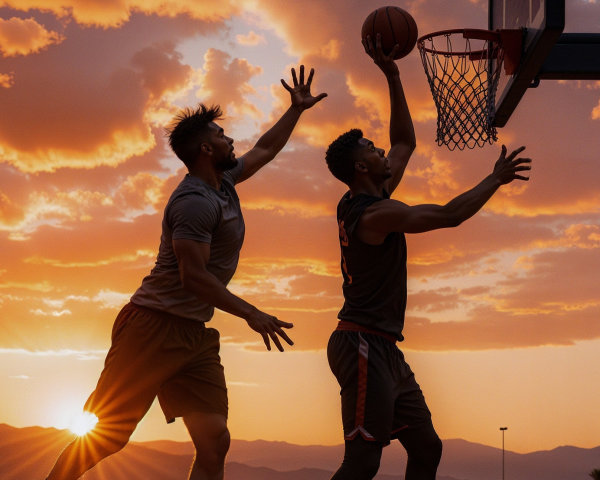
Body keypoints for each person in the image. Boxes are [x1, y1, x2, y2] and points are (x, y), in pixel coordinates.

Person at [45, 65, 327, 480]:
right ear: (206, 150)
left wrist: (295, 110)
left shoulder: (223, 181)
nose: (230, 139)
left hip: (193, 332)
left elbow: (264, 150)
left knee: (215, 438)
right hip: (152, 327)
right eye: (220, 135)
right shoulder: (194, 201)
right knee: (108, 436)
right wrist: (251, 313)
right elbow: (191, 277)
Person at [324, 36, 531, 480]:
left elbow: (404, 141)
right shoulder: (375, 214)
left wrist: (394, 75)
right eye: (372, 152)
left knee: (427, 448)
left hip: (384, 347)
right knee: (363, 461)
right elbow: (450, 215)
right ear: (362, 168)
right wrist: (494, 180)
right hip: (361, 343)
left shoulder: (370, 195)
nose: (383, 152)